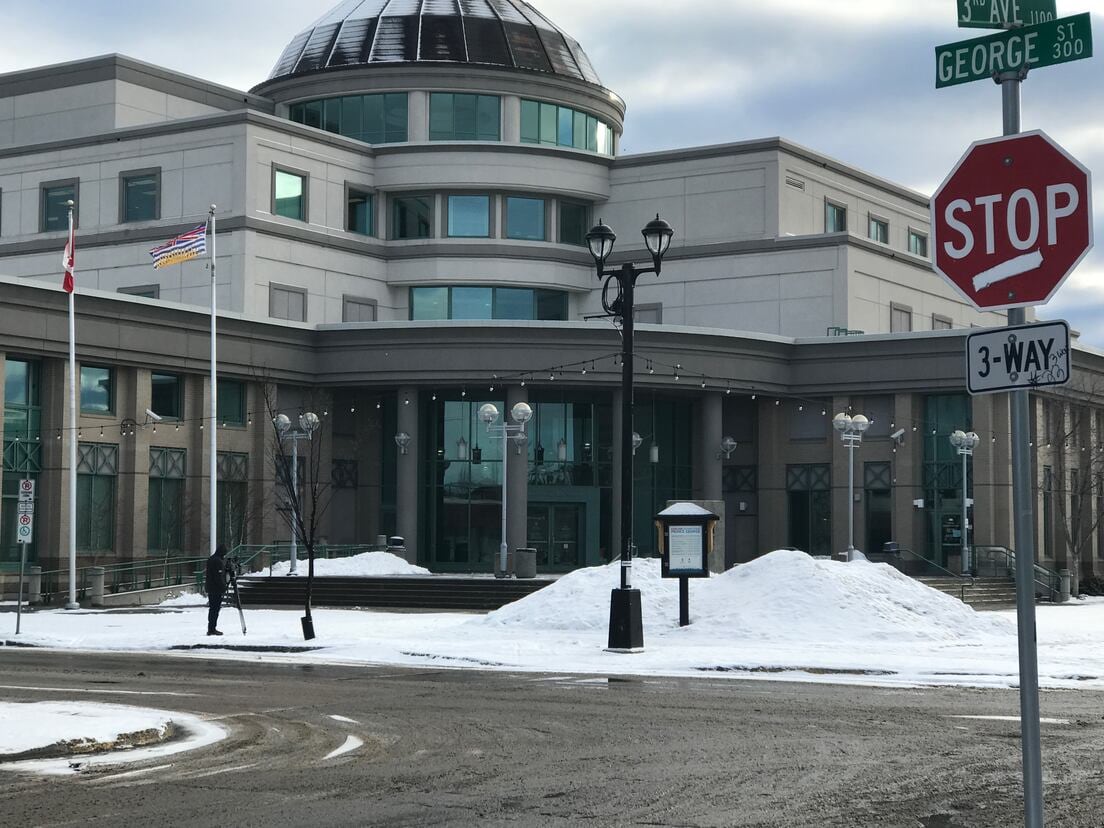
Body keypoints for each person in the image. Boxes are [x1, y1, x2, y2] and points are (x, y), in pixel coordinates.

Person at [205, 545, 229, 636]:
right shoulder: (217, 561)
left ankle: (211, 628)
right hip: (215, 589)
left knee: (213, 609)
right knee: (215, 609)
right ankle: (212, 628)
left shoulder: (211, 559)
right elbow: (218, 577)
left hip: (211, 587)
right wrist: (223, 587)